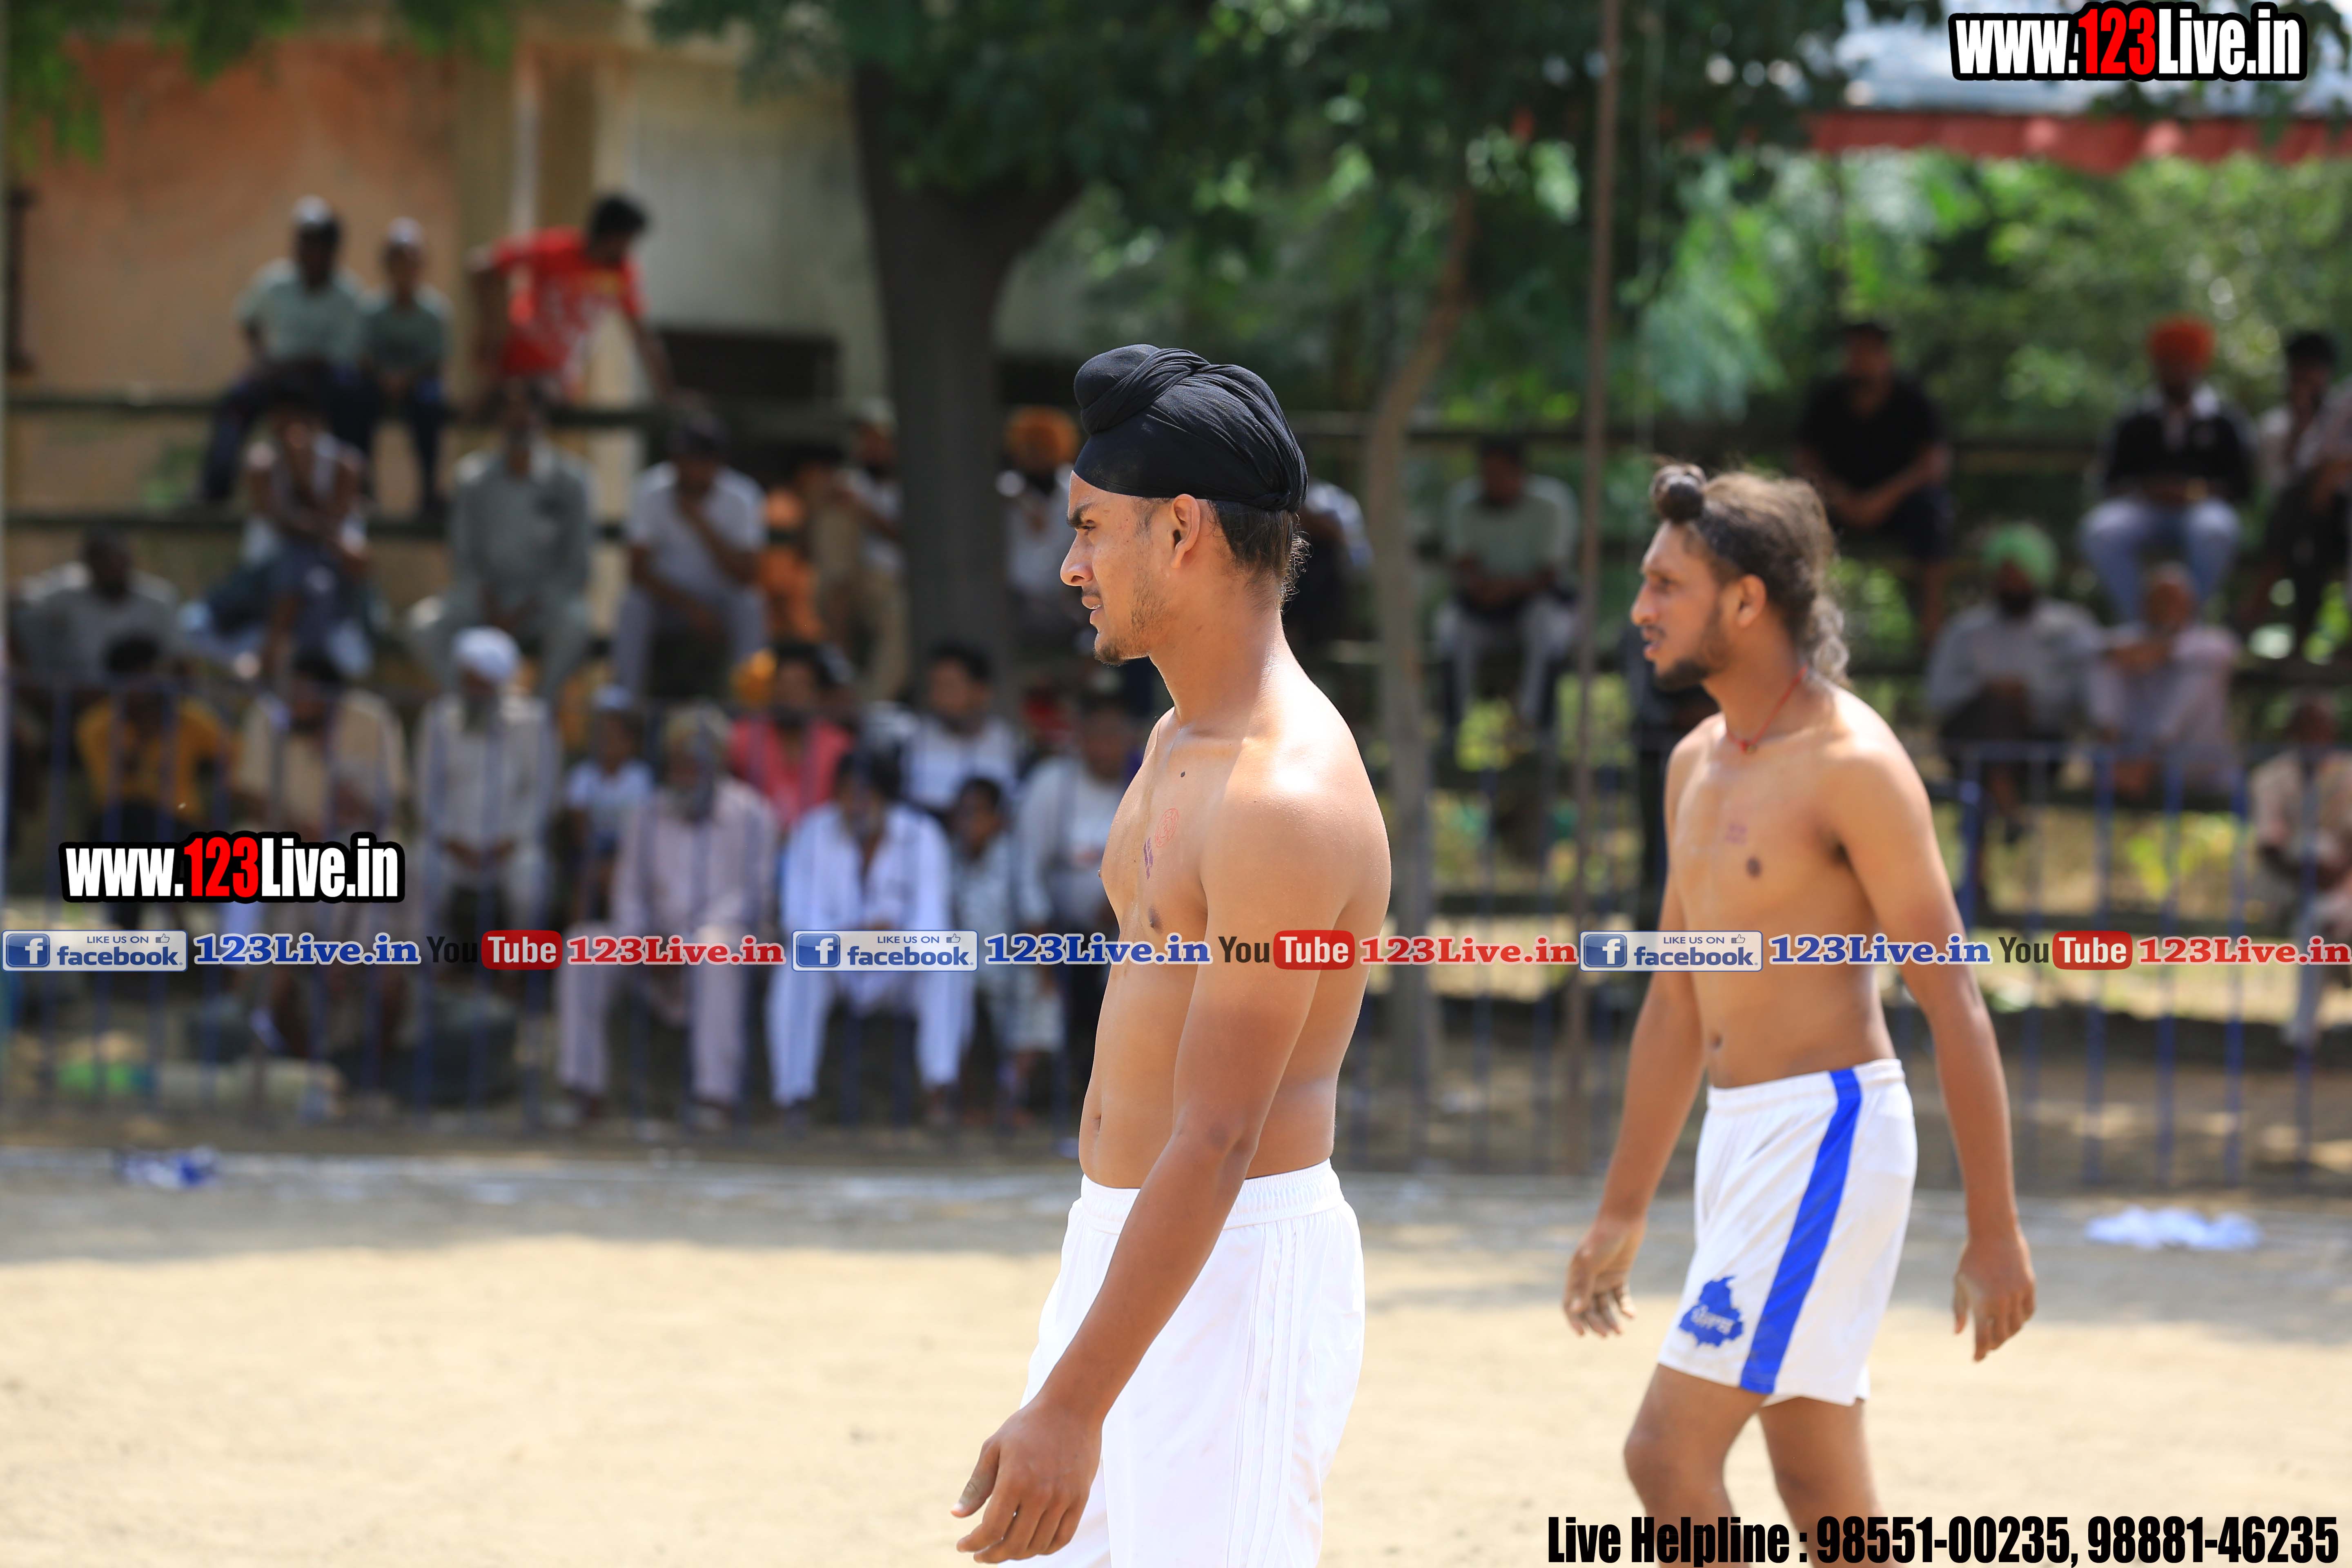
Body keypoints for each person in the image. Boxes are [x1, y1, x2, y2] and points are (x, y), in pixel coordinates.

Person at [950, 344, 1387, 1566]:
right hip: (1130, 1240)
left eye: (1091, 527)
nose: (1069, 564)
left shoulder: (1283, 793)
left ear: (1182, 529)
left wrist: (1071, 1405)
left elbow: (1219, 1132)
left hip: (1233, 1260)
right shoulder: (1174, 737)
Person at [1560, 464, 2034, 1527]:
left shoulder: (1853, 763)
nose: (1640, 609)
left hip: (1830, 1134)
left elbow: (1954, 1001)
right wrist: (1623, 1209)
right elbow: (1676, 1001)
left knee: (1664, 1458)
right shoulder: (1693, 763)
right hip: (1741, 1138)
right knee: (1823, 1492)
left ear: (1745, 601)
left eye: (1666, 585)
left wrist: (1996, 1229)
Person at [556, 706, 772, 1130]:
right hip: (654, 944)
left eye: (694, 763)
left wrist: (688, 942)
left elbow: (753, 898)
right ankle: (583, 1089)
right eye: (678, 762)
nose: (684, 772)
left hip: (727, 945)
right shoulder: (647, 813)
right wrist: (641, 939)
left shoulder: (753, 814)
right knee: (583, 944)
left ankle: (715, 1097)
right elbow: (629, 892)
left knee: (714, 947)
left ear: (717, 763)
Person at [769, 749, 962, 1126]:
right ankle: (793, 1098)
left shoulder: (923, 835)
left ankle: (939, 1091)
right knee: (794, 968)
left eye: (865, 794)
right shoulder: (812, 831)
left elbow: (932, 925)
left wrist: (887, 940)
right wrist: (855, 936)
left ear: (885, 797)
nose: (854, 804)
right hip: (835, 961)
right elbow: (798, 921)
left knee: (950, 961)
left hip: (900, 966)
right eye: (846, 793)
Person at [408, 378, 595, 699]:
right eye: (510, 412)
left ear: (543, 418)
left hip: (543, 602)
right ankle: (473, 703)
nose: (520, 420)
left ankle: (539, 708)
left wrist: (524, 610)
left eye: (528, 411)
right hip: (484, 598)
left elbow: (578, 566)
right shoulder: (472, 478)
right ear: (499, 421)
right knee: (422, 626)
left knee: (576, 624)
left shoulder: (573, 482)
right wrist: (491, 605)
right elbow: (463, 557)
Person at [191, 380, 373, 680]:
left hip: (328, 572)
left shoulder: (345, 464)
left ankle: (272, 654)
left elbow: (329, 526)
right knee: (298, 560)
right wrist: (300, 480)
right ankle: (273, 653)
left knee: (309, 571)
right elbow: (285, 524)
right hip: (265, 573)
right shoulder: (262, 463)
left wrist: (302, 479)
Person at [1924, 524, 2101, 828]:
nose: (2012, 583)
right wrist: (1987, 689)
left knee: (1989, 744)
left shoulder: (2071, 628)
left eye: (2020, 575)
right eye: (2005, 575)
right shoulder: (1965, 632)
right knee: (1992, 715)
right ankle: (2005, 804)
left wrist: (2029, 694)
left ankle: (1991, 822)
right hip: (1969, 743)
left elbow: (2089, 694)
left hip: (2040, 748)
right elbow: (1938, 695)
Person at [2080, 316, 2254, 619]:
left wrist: (2193, 492)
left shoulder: (2225, 421)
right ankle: (2141, 623)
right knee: (2101, 531)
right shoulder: (2133, 421)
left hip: (2202, 508)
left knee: (2215, 530)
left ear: (2199, 366)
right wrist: (2148, 490)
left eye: (2182, 362)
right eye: (2168, 362)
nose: (2175, 370)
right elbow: (2109, 480)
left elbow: (2242, 486)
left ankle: (2186, 624)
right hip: (2143, 508)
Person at [1793, 319, 1956, 639]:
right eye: (1855, 350)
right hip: (1838, 504)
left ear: (1886, 355)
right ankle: (1801, 616)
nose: (1861, 359)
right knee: (1797, 512)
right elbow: (1803, 460)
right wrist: (1839, 496)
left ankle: (1932, 620)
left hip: (1898, 505)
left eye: (1869, 351)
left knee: (1934, 512)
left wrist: (1884, 498)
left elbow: (1935, 464)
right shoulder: (1826, 399)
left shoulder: (1913, 399)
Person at [201, 198, 372, 501]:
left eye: (317, 244)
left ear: (332, 250)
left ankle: (358, 489)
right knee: (236, 399)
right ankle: (214, 488)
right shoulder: (274, 284)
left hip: (323, 379)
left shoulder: (349, 296)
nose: (309, 252)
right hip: (277, 374)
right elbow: (248, 318)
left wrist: (296, 364)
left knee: (355, 397)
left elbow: (344, 353)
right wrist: (260, 356)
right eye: (305, 243)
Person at [1013, 694, 1136, 1101]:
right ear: (1080, 739)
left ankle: (1119, 1092)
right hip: (1053, 927)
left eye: (1116, 736)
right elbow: (1026, 868)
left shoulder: (1147, 780)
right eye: (1097, 735)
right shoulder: (1052, 784)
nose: (1107, 747)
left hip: (1123, 924)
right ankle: (1027, 1094)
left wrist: (1122, 902)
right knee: (1041, 992)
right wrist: (1038, 939)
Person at [550, 690, 657, 1123]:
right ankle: (583, 1088)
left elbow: (640, 839)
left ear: (632, 741)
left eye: (615, 734)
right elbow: (579, 829)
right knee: (582, 926)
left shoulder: (641, 780)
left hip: (634, 864)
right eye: (600, 734)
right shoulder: (584, 776)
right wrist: (597, 864)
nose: (606, 742)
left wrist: (619, 866)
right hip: (594, 857)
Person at [76, 637, 232, 928]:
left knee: (139, 836)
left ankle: (134, 928)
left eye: (148, 675)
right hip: (122, 823)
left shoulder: (190, 718)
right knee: (128, 824)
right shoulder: (97, 726)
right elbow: (113, 792)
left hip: (181, 825)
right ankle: (168, 917)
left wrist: (220, 803)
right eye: (133, 677)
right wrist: (143, 740)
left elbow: (236, 758)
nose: (143, 687)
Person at [414, 628, 560, 935]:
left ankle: (516, 960)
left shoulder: (534, 721)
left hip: (510, 844)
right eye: (468, 682)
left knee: (531, 881)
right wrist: (449, 838)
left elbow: (542, 791)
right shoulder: (438, 718)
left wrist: (512, 840)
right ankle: (433, 956)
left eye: (481, 684)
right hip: (452, 842)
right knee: (418, 869)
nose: (473, 691)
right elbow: (427, 788)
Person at [1430, 435, 1578, 735]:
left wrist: (1507, 588)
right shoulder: (1464, 503)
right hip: (1481, 607)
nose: (1493, 482)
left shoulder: (1551, 503)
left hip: (1539, 602)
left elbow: (1550, 572)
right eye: (1487, 473)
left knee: (1547, 629)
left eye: (1501, 473)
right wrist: (1486, 589)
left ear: (1520, 473)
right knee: (1449, 628)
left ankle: (1535, 726)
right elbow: (1464, 563)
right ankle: (1452, 728)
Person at [612, 414, 768, 697]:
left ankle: (749, 705)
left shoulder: (742, 496)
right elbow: (637, 571)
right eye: (680, 458)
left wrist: (701, 524)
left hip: (720, 600)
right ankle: (625, 700)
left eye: (695, 460)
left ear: (715, 463)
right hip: (668, 600)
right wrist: (691, 608)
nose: (684, 467)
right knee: (633, 604)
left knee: (750, 605)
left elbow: (748, 574)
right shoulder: (650, 489)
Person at [467, 193, 673, 399]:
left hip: (561, 377)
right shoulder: (556, 250)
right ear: (612, 235)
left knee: (542, 396)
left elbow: (642, 336)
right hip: (518, 363)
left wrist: (667, 394)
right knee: (524, 398)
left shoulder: (621, 274)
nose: (629, 250)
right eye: (628, 240)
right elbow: (481, 267)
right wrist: (491, 330)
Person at [947, 775, 1064, 1123]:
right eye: (963, 813)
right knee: (950, 1002)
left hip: (1006, 956)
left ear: (998, 819)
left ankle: (1008, 1097)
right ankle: (961, 1104)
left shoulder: (1014, 858)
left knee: (1042, 1001)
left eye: (979, 813)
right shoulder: (947, 855)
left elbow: (1035, 920)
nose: (970, 822)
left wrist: (1045, 976)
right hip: (955, 960)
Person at [2090, 563, 2241, 801]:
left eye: (2173, 600)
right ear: (2143, 604)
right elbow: (2095, 650)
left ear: (2190, 605)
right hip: (2128, 754)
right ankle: (2110, 757)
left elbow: (2223, 652)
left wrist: (2161, 650)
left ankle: (2143, 765)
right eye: (2157, 600)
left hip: (2197, 764)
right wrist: (2136, 653)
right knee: (2104, 665)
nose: (2165, 607)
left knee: (2199, 672)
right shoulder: (2126, 638)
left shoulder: (2213, 641)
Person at [2240, 331, 2343, 652]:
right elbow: (2277, 484)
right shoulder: (2274, 427)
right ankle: (2299, 635)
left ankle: (2256, 609)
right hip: (2299, 525)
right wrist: (2300, 429)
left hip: (2337, 523)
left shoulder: (2345, 418)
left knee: (2303, 534)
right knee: (2301, 527)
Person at [357, 218, 452, 515]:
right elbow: (363, 356)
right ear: (387, 265)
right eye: (398, 261)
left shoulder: (435, 312)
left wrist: (405, 380)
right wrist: (384, 378)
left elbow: (436, 361)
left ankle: (429, 491)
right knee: (352, 397)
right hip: (378, 383)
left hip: (417, 385)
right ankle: (362, 488)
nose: (405, 269)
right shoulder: (371, 311)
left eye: (411, 261)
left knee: (431, 402)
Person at [11, 526, 180, 688]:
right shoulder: (66, 594)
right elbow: (17, 601)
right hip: (82, 699)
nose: (111, 566)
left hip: (146, 700)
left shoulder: (159, 599)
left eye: (117, 558)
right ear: (88, 564)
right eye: (102, 560)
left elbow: (179, 660)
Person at [892, 644, 1023, 818]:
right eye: (934, 687)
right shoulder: (914, 741)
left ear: (981, 691)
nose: (938, 698)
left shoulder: (1009, 744)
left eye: (949, 686)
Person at [1004, 407, 1086, 650]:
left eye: (1045, 446)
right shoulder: (1006, 489)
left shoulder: (1077, 487)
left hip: (1068, 597)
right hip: (1015, 600)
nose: (1037, 454)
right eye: (1030, 447)